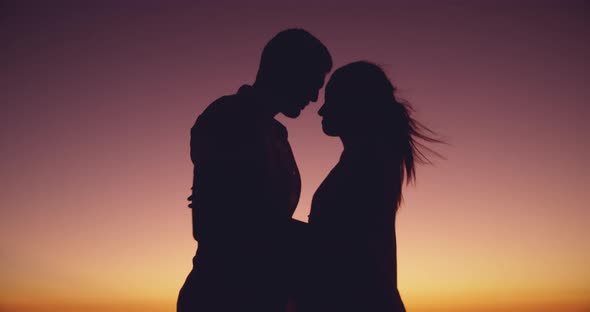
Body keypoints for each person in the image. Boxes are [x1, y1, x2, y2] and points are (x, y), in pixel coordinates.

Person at [177, 29, 332, 312]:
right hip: (222, 295)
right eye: (313, 82)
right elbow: (224, 223)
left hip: (265, 293)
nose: (313, 96)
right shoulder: (227, 117)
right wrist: (325, 242)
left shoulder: (277, 133)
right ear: (287, 71)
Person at [304, 61, 441, 312]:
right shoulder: (369, 160)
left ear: (355, 105)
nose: (321, 111)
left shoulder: (365, 165)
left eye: (331, 100)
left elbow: (339, 249)